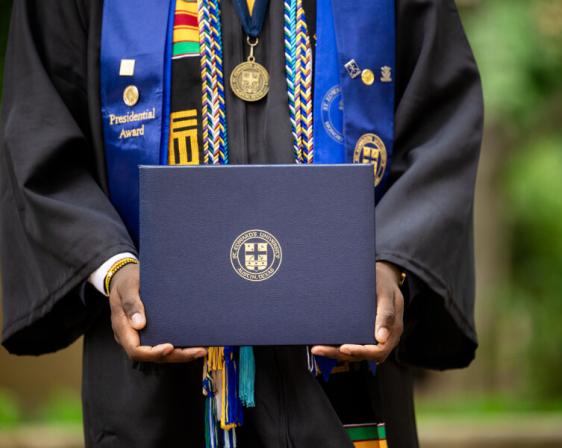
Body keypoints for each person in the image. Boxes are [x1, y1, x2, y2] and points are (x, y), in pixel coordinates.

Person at [0, 0, 482, 447]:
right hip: (158, 376)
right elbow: (39, 128)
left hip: (344, 366)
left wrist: (389, 261)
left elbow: (441, 125)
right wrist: (112, 266)